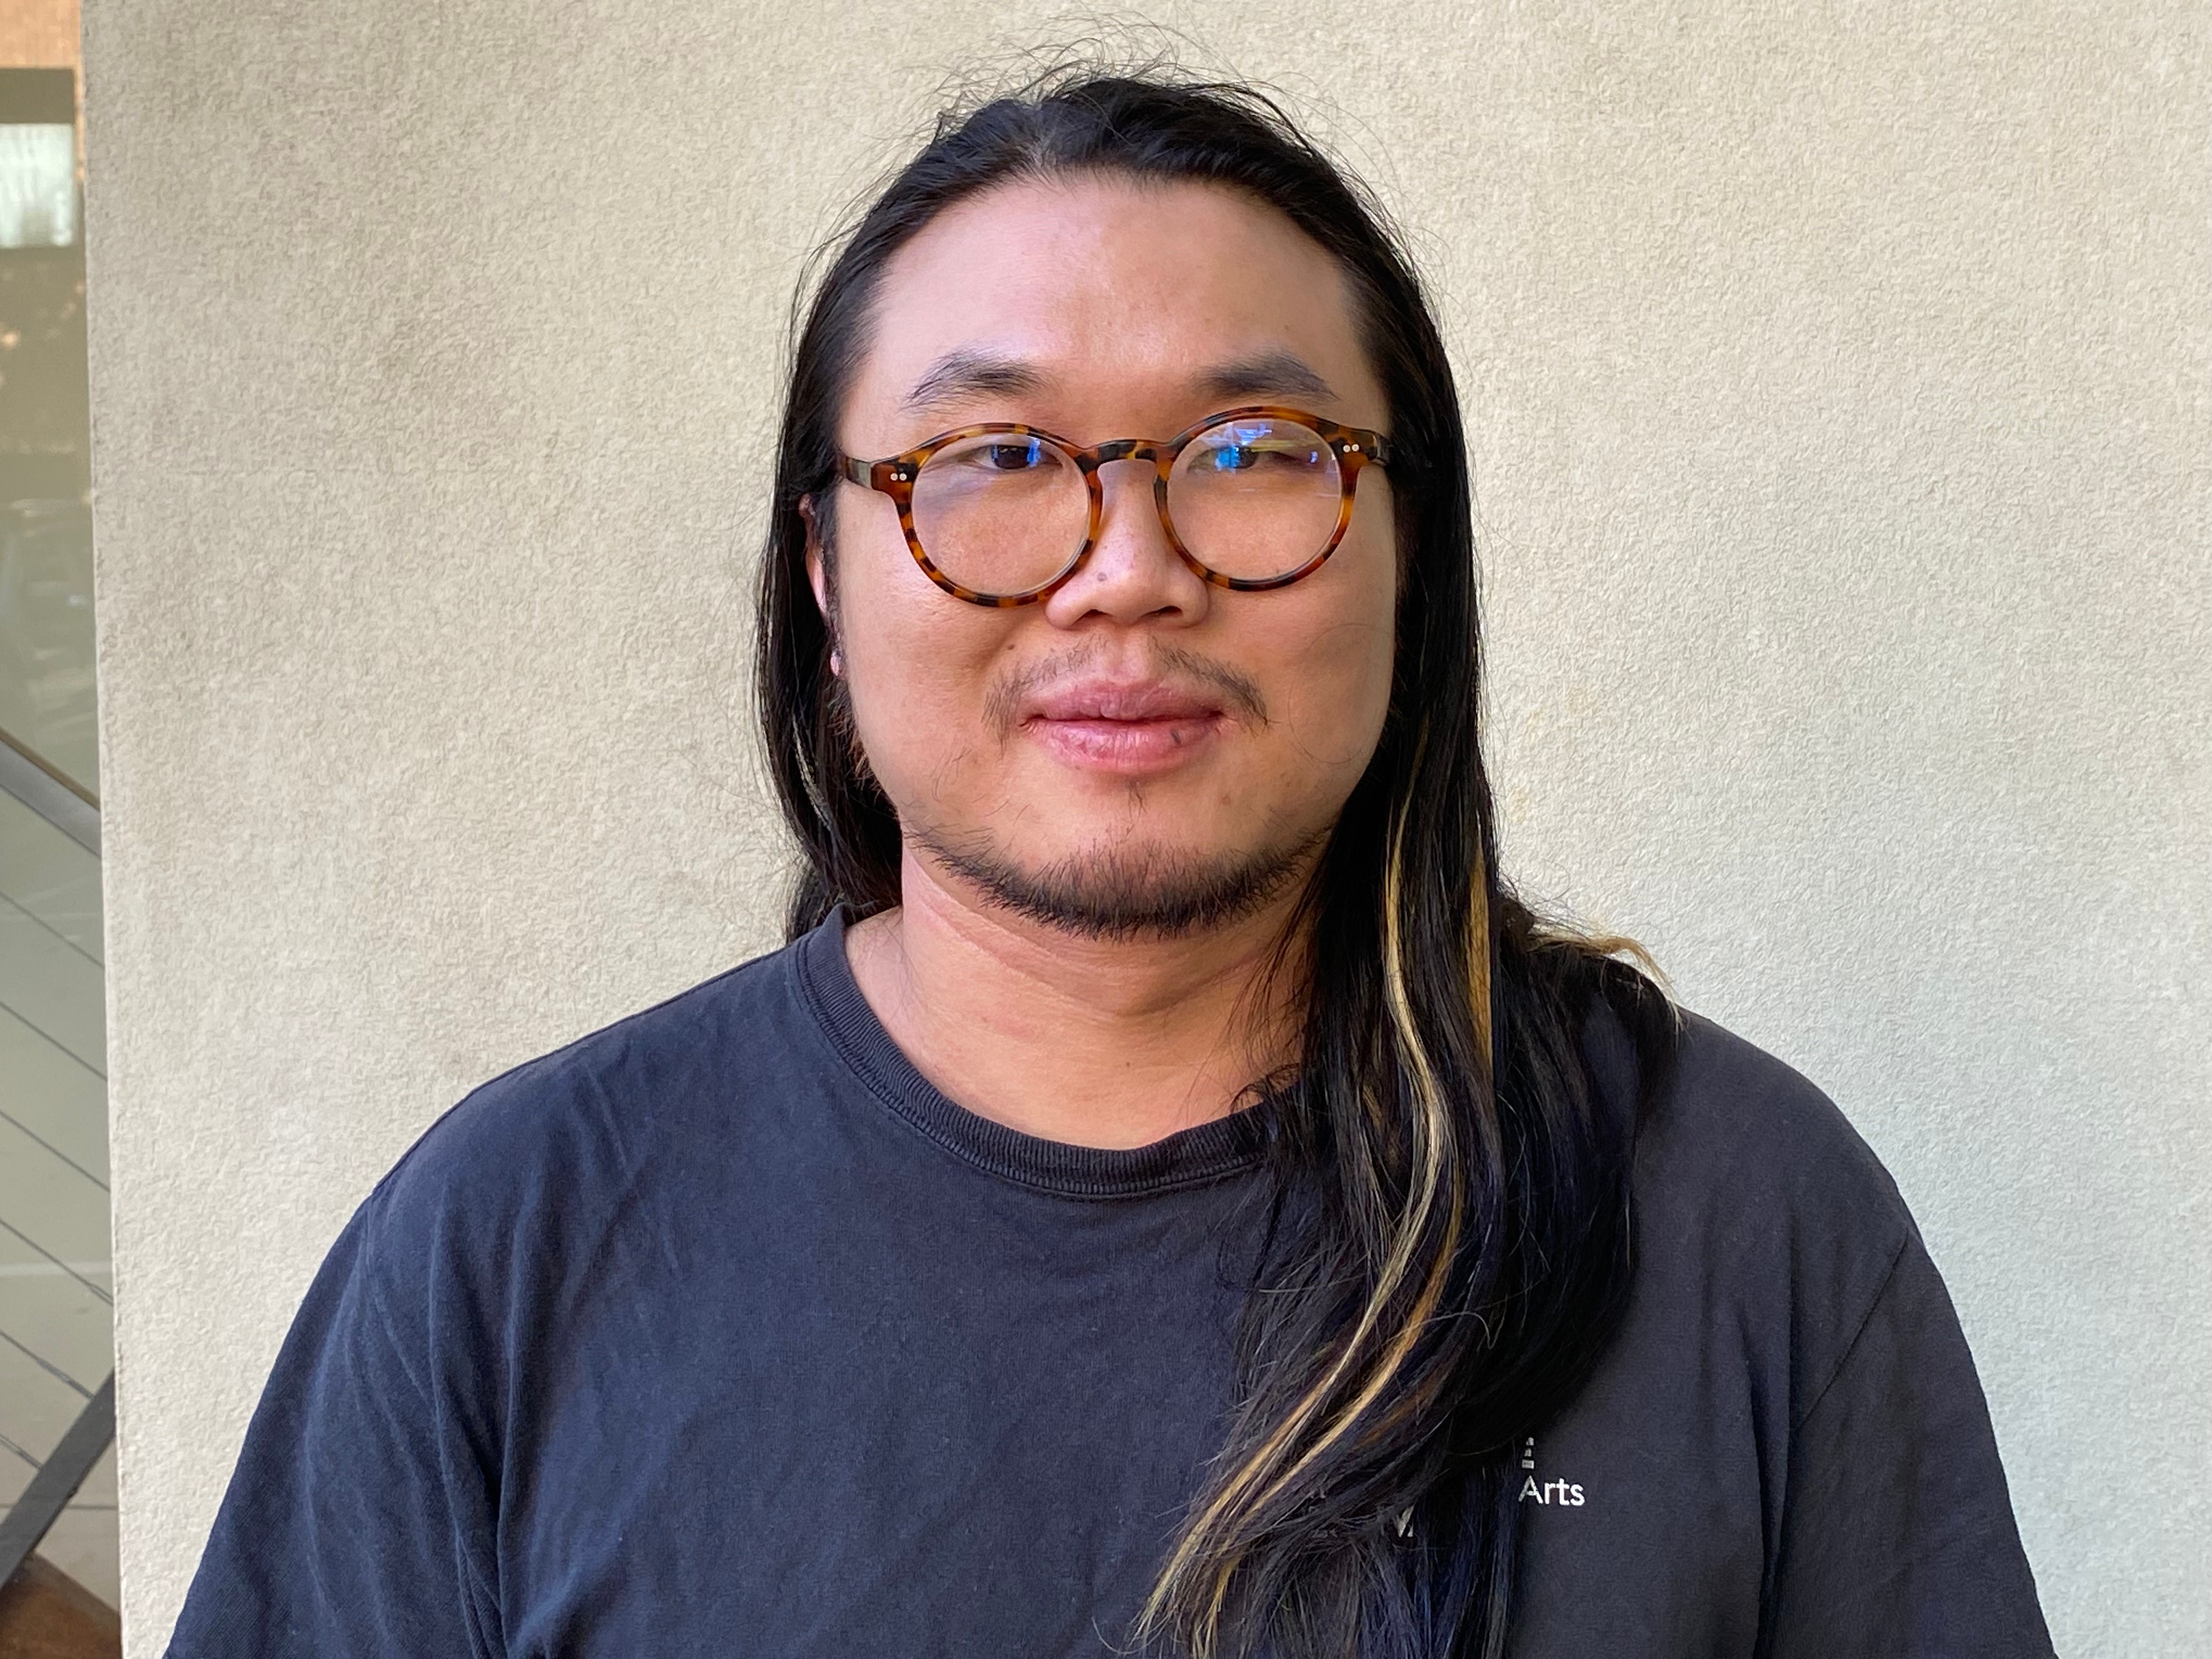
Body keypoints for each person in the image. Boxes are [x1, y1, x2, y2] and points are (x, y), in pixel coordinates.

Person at [162, 70, 2055, 1659]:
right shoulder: (515, 1246)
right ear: (826, 573)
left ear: (1414, 551)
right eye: (990, 456)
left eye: (1251, 446)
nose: (1127, 565)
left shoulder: (1733, 1213)